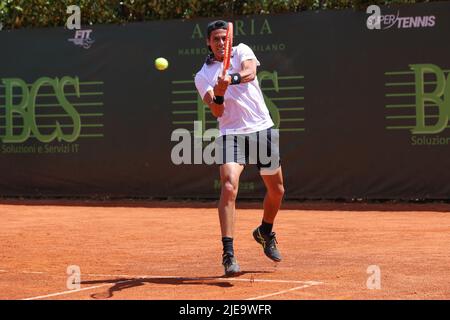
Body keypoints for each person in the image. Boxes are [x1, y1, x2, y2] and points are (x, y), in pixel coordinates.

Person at [194, 20, 285, 276]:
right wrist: (219, 93)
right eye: (215, 39)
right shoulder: (202, 76)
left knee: (276, 191)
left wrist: (229, 79)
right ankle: (228, 254)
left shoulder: (243, 50)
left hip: (261, 129)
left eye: (224, 38)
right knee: (229, 185)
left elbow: (249, 73)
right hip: (231, 134)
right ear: (208, 43)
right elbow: (216, 110)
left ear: (229, 39)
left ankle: (265, 232)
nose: (221, 43)